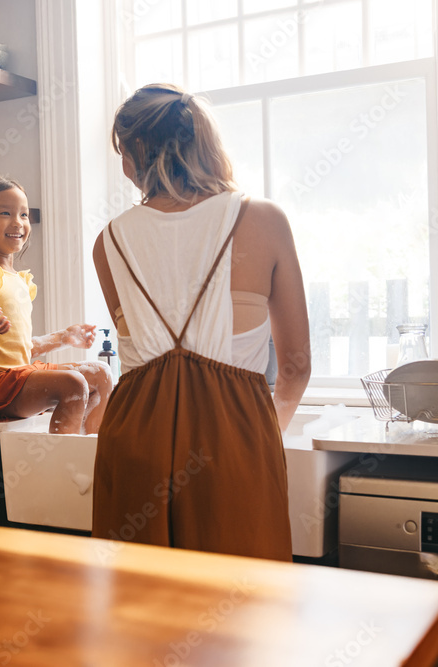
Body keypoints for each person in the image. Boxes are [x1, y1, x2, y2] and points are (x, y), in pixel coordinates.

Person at [91, 84, 311, 561]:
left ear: (136, 153)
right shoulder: (264, 219)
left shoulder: (108, 241)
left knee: (141, 610)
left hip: (133, 444)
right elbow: (295, 365)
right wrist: (255, 432)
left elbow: (142, 352)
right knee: (242, 614)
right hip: (235, 447)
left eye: (122, 152)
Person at [0, 176, 112, 434]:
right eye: (5, 213)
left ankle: (87, 454)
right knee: (73, 385)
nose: (18, 222)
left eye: (24, 215)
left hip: (16, 375)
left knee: (101, 373)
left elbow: (19, 350)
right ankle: (62, 464)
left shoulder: (19, 281)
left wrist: (64, 337)